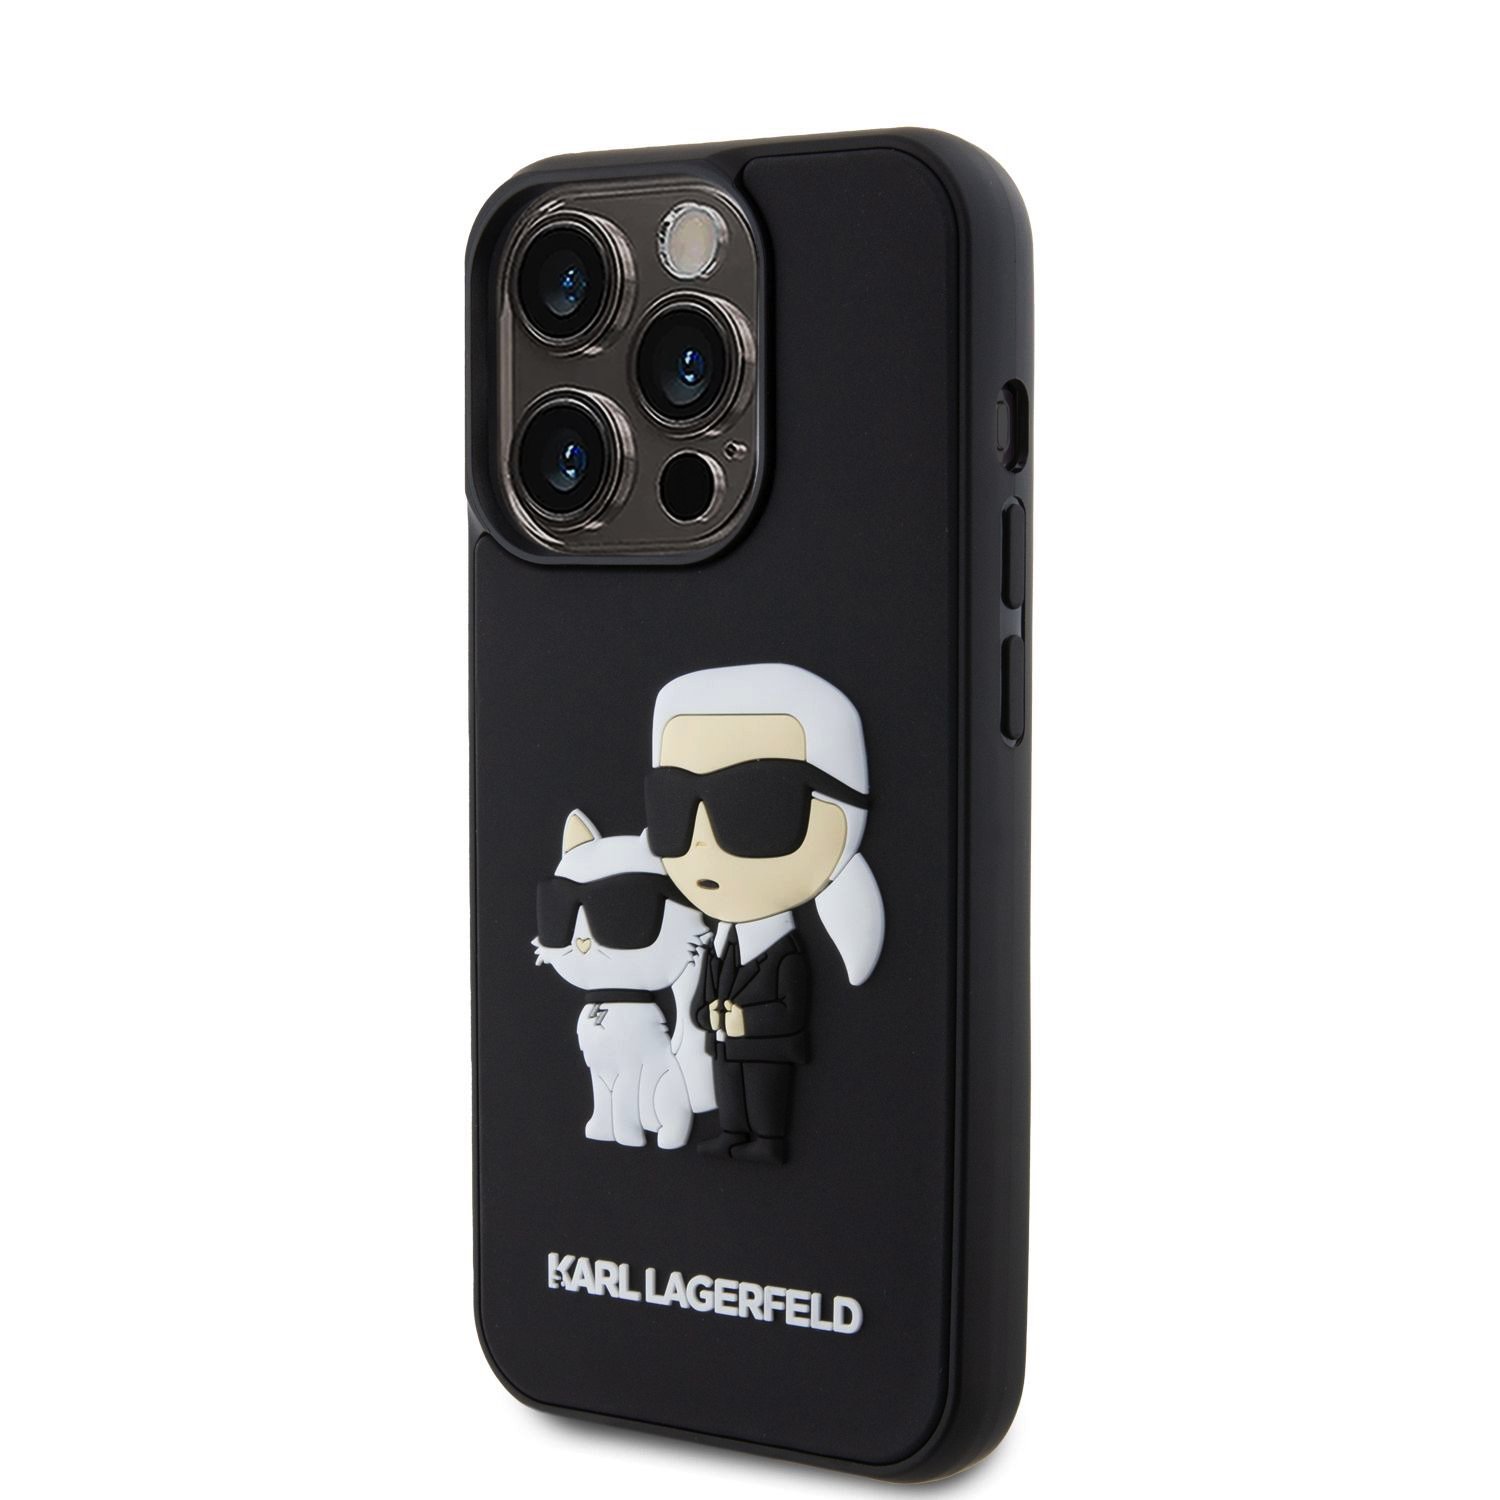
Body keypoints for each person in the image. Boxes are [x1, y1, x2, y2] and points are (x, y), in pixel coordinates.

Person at [645, 664, 884, 1163]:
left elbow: (790, 1007)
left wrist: (745, 1019)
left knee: (764, 1092)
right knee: (730, 1090)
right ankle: (733, 1132)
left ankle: (768, 1141)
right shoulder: (719, 942)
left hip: (767, 1049)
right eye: (672, 804)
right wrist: (707, 1014)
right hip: (724, 1046)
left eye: (756, 805)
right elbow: (703, 996)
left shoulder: (784, 952)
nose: (702, 840)